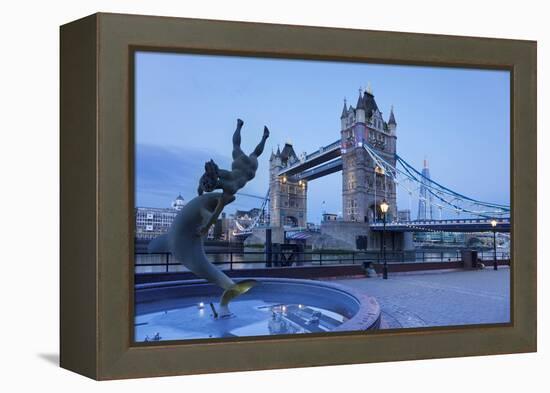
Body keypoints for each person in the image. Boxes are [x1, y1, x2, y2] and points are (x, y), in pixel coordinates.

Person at [196, 118, 269, 235]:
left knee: (253, 153)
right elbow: (208, 176)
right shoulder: (221, 173)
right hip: (240, 164)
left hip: (249, 172)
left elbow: (215, 215)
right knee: (238, 146)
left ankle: (264, 136)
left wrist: (206, 227)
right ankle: (241, 126)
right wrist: (200, 189)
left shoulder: (229, 190)